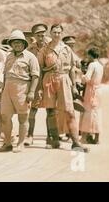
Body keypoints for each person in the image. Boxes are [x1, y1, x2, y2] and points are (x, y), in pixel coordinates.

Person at [38, 24, 89, 152]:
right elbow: (39, 70)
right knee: (50, 112)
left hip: (64, 79)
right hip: (49, 80)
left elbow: (72, 68)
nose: (56, 35)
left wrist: (73, 85)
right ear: (50, 33)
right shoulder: (45, 50)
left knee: (70, 111)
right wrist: (39, 88)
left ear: (61, 34)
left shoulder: (67, 49)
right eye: (54, 32)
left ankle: (76, 142)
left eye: (58, 32)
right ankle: (54, 140)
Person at [0, 30, 39, 153]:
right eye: (14, 43)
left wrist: (31, 92)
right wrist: (3, 87)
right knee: (5, 116)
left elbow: (35, 76)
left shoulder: (30, 57)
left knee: (23, 117)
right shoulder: (9, 56)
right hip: (7, 88)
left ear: (24, 44)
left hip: (22, 88)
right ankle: (8, 143)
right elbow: (5, 74)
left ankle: (20, 143)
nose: (17, 45)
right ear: (11, 44)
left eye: (19, 43)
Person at [25, 23, 51, 146]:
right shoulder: (30, 49)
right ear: (34, 35)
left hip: (49, 81)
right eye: (38, 35)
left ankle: (50, 137)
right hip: (36, 82)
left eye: (43, 34)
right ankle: (30, 135)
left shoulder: (52, 46)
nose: (41, 37)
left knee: (50, 110)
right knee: (33, 110)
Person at [80, 47, 103, 144]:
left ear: (90, 55)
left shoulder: (92, 65)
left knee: (88, 113)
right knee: (97, 113)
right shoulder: (100, 65)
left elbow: (87, 78)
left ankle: (84, 137)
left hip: (90, 90)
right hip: (98, 90)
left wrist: (81, 76)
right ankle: (96, 138)